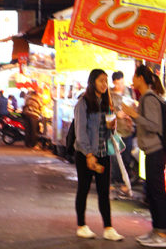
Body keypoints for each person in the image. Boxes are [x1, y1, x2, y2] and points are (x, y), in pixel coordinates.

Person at [122, 65, 166, 247]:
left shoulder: (149, 98)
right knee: (151, 192)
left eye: (134, 76)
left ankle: (163, 234)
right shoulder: (145, 98)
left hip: (156, 151)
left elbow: (153, 125)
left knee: (157, 192)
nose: (132, 80)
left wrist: (134, 115)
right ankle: (156, 230)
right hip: (150, 151)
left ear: (141, 78)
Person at [73, 69, 124, 241]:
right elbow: (80, 132)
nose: (104, 84)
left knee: (104, 192)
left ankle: (108, 228)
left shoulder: (107, 102)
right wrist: (89, 154)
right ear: (92, 81)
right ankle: (81, 226)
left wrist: (113, 126)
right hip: (86, 154)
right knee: (84, 189)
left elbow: (109, 130)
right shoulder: (83, 103)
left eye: (106, 81)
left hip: (103, 153)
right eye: (101, 80)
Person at [109, 71, 135, 197]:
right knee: (115, 158)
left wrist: (130, 114)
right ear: (113, 82)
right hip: (114, 131)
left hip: (127, 130)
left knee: (126, 157)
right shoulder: (109, 94)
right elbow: (104, 110)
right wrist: (116, 113)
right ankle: (115, 182)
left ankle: (125, 183)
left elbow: (133, 106)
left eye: (122, 82)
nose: (120, 85)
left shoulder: (129, 92)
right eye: (118, 83)